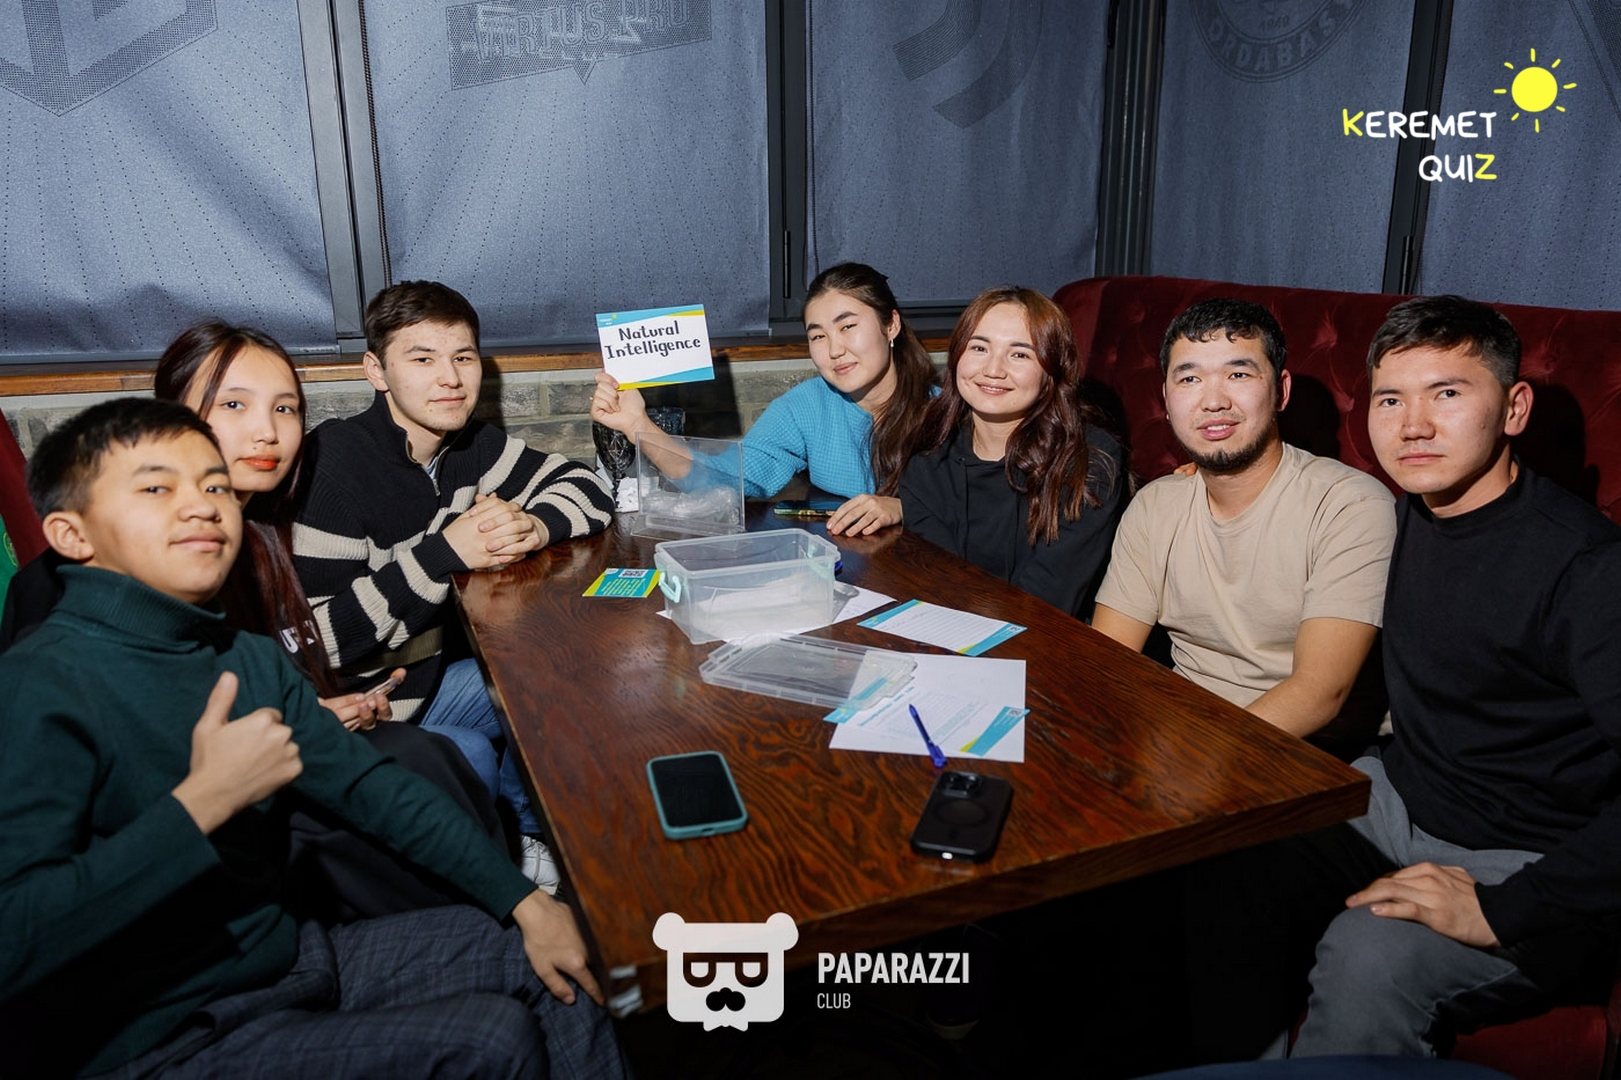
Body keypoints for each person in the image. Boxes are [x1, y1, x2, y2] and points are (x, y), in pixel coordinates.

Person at [0, 398, 626, 1077]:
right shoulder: (38, 687)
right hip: (157, 1036)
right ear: (71, 534)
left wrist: (526, 901)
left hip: (288, 960)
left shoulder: (245, 658)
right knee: (491, 1039)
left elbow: (373, 789)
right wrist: (204, 804)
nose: (202, 507)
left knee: (564, 959)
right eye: (157, 489)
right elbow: (15, 939)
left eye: (215, 487)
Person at [1186, 295, 1621, 1060]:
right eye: (1389, 399)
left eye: (1445, 393)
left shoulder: (1587, 570)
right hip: (1394, 800)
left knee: (1366, 955)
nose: (1412, 425)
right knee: (1211, 860)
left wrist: (1504, 909)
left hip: (1530, 854)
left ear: (1513, 408)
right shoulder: (1399, 516)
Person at [154, 321, 523, 917]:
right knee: (460, 754)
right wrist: (307, 718)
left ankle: (520, 868)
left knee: (528, 672)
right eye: (233, 405)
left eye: (284, 409)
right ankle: (486, 906)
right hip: (244, 810)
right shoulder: (173, 548)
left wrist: (528, 526)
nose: (266, 430)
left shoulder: (263, 526)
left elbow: (290, 655)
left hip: (348, 702)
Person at [292, 281, 614, 884]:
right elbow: (322, 639)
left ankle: (532, 835)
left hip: (428, 678)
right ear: (376, 371)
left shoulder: (469, 446)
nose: (450, 379)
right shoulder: (330, 466)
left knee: (564, 668)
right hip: (355, 708)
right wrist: (445, 552)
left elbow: (588, 487)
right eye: (422, 359)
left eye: (463, 357)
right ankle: (501, 879)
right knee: (467, 758)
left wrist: (534, 527)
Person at [1091, 298, 1395, 745]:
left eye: (1238, 374)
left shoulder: (1349, 505)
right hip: (1181, 728)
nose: (1214, 401)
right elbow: (1107, 658)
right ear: (1167, 401)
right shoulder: (1156, 505)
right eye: (1190, 378)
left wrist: (1200, 761)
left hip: (1311, 750)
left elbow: (1319, 694)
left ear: (1281, 391)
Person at [589, 261, 937, 535]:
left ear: (891, 325)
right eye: (818, 336)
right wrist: (639, 425)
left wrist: (903, 507)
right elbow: (729, 479)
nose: (834, 350)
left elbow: (969, 502)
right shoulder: (805, 406)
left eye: (848, 326)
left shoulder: (944, 408)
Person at [897, 285, 1125, 617]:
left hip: (1052, 638)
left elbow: (1046, 602)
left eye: (1019, 354)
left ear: (1052, 371)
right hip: (955, 630)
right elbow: (941, 583)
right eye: (979, 348)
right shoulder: (927, 453)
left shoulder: (1088, 461)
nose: (993, 370)